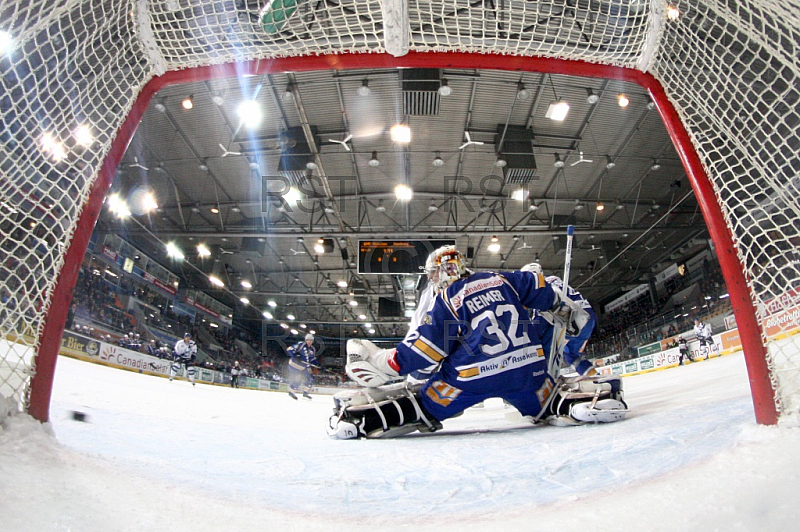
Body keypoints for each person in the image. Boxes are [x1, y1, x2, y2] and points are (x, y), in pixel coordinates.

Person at [328, 245, 628, 439]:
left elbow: (426, 350)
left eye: (433, 274)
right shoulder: (502, 279)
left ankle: (361, 419)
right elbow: (545, 291)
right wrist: (565, 309)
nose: (433, 280)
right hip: (527, 374)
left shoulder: (447, 300)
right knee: (547, 403)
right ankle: (578, 403)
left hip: (469, 379)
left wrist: (388, 362)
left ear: (441, 272)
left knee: (421, 406)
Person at [521, 262, 597, 377]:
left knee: (541, 346)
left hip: (573, 320)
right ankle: (595, 377)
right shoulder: (553, 280)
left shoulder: (541, 290)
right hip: (587, 317)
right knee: (572, 355)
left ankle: (545, 379)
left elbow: (539, 325)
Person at [286, 333, 316, 400]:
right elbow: (289, 349)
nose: (309, 342)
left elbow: (312, 359)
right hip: (294, 365)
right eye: (308, 340)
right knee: (297, 379)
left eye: (311, 340)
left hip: (304, 366)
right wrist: (295, 355)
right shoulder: (300, 345)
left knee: (311, 378)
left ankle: (305, 392)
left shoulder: (312, 349)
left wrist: (318, 364)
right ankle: (291, 392)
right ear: (305, 340)